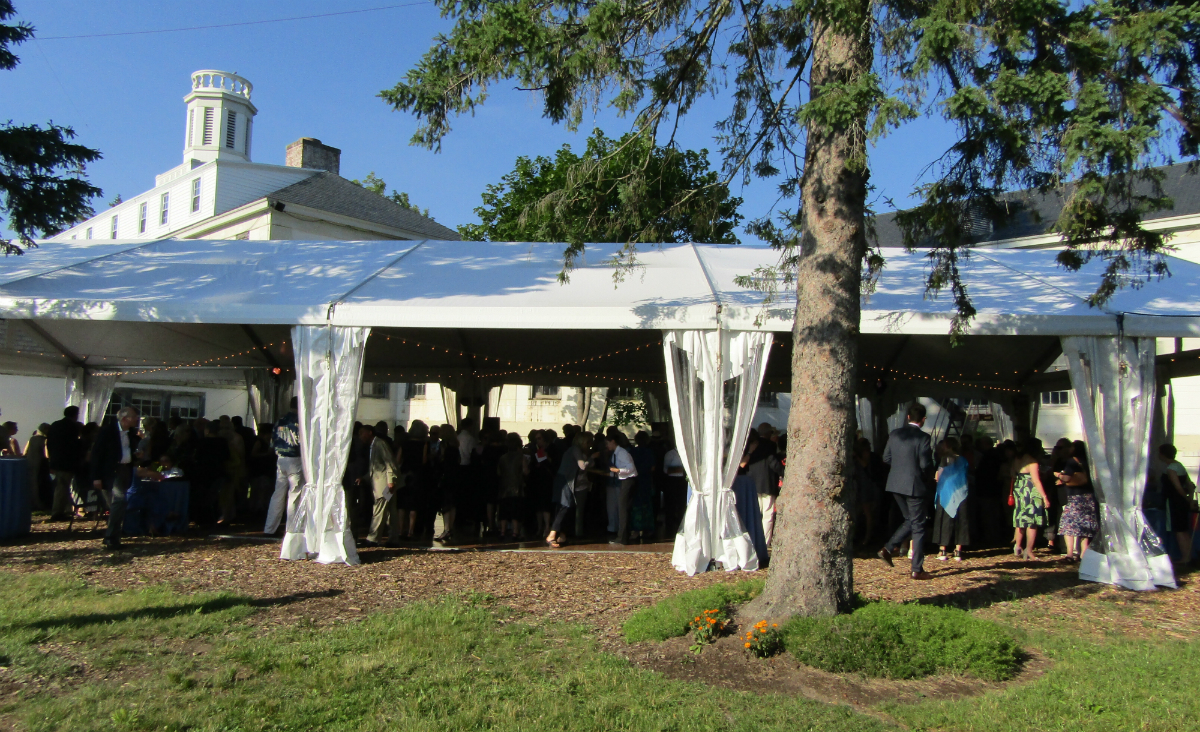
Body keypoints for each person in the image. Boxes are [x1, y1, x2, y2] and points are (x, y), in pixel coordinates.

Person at [877, 402, 934, 580]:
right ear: (923, 419)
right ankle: (916, 568)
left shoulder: (894, 434)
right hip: (914, 485)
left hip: (895, 484)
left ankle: (888, 548)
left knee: (910, 519)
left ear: (908, 417)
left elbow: (886, 457)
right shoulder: (923, 438)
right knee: (918, 526)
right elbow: (925, 464)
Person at [92, 406, 140, 550]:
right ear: (124, 419)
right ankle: (111, 537)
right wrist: (96, 477)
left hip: (126, 470)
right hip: (111, 472)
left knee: (117, 505)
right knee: (119, 502)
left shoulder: (132, 433)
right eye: (134, 416)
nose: (136, 419)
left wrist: (137, 456)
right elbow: (97, 454)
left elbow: (129, 450)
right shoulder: (107, 432)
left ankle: (113, 535)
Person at [264, 398, 303, 535]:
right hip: (295, 458)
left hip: (281, 458)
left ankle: (270, 528)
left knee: (278, 494)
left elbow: (272, 442)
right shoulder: (300, 422)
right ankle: (292, 529)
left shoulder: (280, 421)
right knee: (294, 494)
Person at [1055, 440, 1098, 563]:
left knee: (1068, 525)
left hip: (1076, 497)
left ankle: (1070, 553)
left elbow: (1067, 477)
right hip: (1089, 496)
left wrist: (1058, 475)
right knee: (1085, 526)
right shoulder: (1090, 462)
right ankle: (1084, 553)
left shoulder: (1072, 462)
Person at [547, 432, 591, 547]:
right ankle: (552, 535)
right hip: (565, 480)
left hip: (563, 479)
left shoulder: (572, 450)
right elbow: (582, 466)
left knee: (564, 507)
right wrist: (592, 459)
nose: (589, 445)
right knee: (564, 506)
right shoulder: (575, 449)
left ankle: (562, 535)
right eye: (588, 442)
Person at [362, 424, 402, 546]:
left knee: (379, 508)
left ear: (369, 432)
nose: (360, 436)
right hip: (384, 482)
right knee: (390, 511)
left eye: (361, 433)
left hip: (384, 484)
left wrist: (391, 480)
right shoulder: (374, 445)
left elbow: (389, 462)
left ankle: (373, 538)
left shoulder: (379, 444)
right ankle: (394, 538)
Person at [1012, 438, 1051, 561]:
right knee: (1032, 522)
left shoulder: (1017, 460)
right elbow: (1036, 480)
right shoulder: (1032, 462)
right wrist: (1045, 497)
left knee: (1021, 520)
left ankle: (1017, 546)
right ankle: (1029, 550)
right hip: (1031, 492)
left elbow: (1012, 474)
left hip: (1019, 490)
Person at [932, 437, 970, 561]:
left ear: (947, 446)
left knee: (944, 520)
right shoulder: (963, 459)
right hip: (961, 492)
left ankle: (943, 550)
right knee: (961, 520)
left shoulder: (945, 459)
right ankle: (958, 551)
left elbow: (938, 476)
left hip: (946, 493)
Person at [1157, 443, 1195, 566]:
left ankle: (1185, 557)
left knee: (1178, 530)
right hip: (1181, 501)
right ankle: (1188, 555)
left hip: (1174, 501)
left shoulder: (1171, 468)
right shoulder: (1179, 465)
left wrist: (1186, 498)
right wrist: (1189, 497)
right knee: (1183, 529)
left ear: (1162, 454)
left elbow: (1177, 487)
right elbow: (1190, 484)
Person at [46, 406, 82, 520]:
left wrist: (51, 458)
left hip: (56, 459)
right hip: (67, 461)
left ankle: (63, 510)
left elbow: (49, 443)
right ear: (75, 415)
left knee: (62, 486)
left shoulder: (55, 425)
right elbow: (74, 445)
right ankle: (58, 512)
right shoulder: (72, 426)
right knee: (62, 487)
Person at [607, 430, 638, 546]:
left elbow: (631, 468)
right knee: (623, 509)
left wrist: (619, 470)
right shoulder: (617, 453)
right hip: (624, 480)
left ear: (613, 442)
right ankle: (622, 536)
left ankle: (622, 537)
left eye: (608, 443)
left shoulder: (622, 453)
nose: (607, 445)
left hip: (628, 480)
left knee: (623, 509)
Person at [496, 432, 528, 539]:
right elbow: (525, 471)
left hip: (504, 487)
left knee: (504, 511)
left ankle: (502, 531)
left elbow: (499, 473)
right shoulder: (521, 457)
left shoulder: (502, 457)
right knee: (515, 510)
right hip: (517, 487)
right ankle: (515, 532)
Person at [435, 424, 461, 542]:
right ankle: (450, 528)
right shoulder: (455, 446)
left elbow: (440, 460)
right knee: (453, 504)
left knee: (445, 504)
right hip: (455, 477)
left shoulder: (443, 445)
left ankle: (446, 529)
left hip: (445, 477)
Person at [852, 438, 879, 547]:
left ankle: (867, 538)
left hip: (866, 486)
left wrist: (857, 457)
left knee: (868, 513)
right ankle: (860, 535)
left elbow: (865, 465)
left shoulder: (866, 455)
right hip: (859, 485)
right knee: (859, 512)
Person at [23, 423, 50, 511]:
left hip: (31, 463)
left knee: (33, 482)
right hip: (41, 463)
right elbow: (47, 455)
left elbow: (25, 452)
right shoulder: (45, 440)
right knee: (42, 483)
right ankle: (42, 504)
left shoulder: (31, 439)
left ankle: (33, 504)